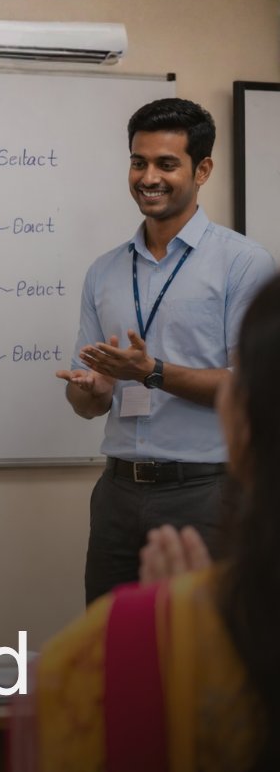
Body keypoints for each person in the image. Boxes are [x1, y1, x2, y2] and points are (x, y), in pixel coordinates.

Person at [10, 272, 280, 772]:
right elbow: (88, 396)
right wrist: (94, 390)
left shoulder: (105, 652)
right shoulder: (104, 271)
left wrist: (163, 639)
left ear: (240, 427)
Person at [56, 98, 273, 603]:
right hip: (117, 492)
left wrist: (151, 371)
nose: (148, 177)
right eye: (139, 162)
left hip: (206, 493)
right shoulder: (104, 271)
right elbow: (87, 406)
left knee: (199, 643)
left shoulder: (243, 263)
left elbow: (249, 389)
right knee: (111, 637)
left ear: (203, 170)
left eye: (166, 164)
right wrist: (92, 390)